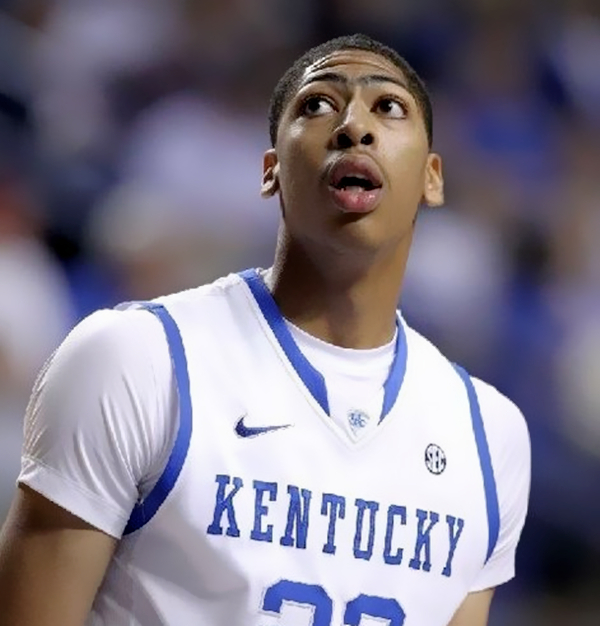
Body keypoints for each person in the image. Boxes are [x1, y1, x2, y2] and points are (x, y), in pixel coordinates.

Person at [0, 34, 530, 626]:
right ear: (270, 171)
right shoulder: (136, 359)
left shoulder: (490, 436)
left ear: (432, 178)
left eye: (388, 107)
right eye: (319, 104)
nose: (354, 127)